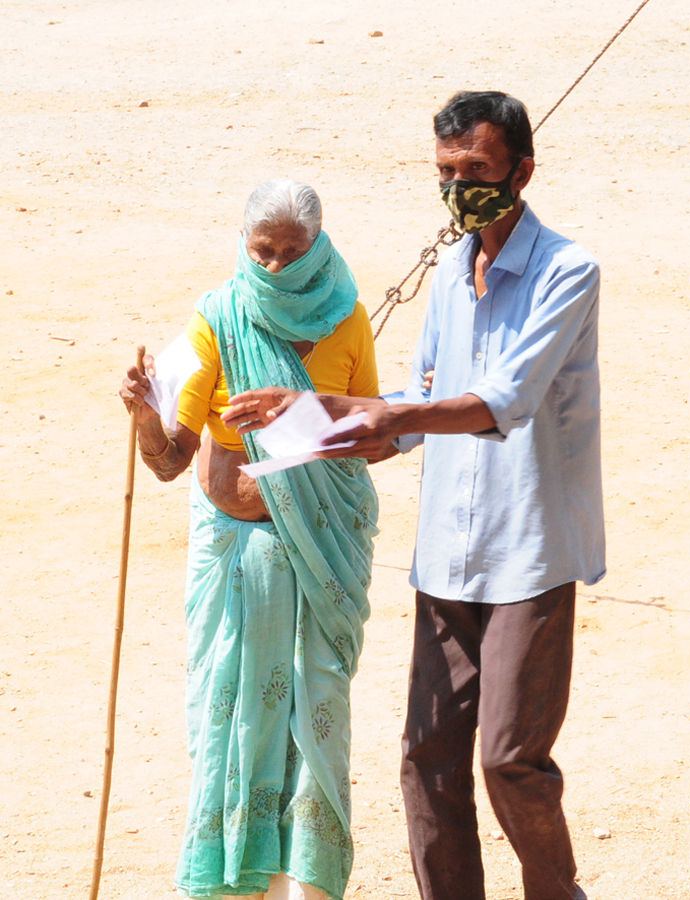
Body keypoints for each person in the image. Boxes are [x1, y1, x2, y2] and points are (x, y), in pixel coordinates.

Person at [223, 91, 603, 900]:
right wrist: (330, 432)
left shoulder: (568, 272)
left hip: (528, 550)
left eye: (478, 169)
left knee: (509, 757)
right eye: (447, 171)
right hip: (443, 554)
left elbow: (504, 399)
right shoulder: (449, 280)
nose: (461, 186)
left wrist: (380, 411)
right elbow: (414, 410)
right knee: (427, 756)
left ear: (522, 171)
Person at [119, 179, 380, 900]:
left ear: (317, 247)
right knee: (230, 719)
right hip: (234, 558)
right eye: (261, 251)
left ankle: (310, 885)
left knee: (318, 716)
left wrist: (313, 417)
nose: (273, 267)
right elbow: (172, 459)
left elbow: (377, 435)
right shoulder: (218, 317)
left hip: (324, 554)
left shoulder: (348, 320)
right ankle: (235, 882)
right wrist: (145, 414)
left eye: (290, 253)